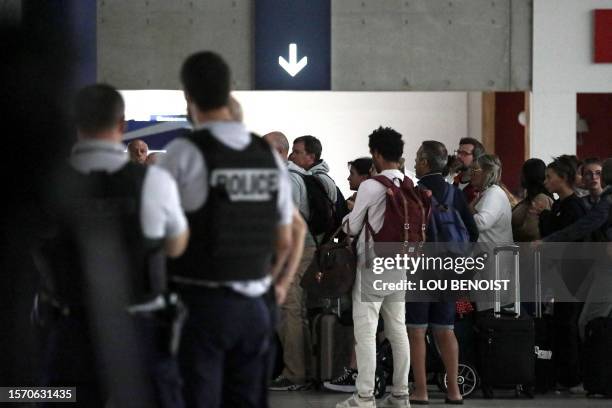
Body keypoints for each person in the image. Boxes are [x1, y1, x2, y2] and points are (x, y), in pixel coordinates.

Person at [38, 84, 189, 408]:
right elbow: (176, 246)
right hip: (141, 335)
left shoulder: (47, 185)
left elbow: (36, 252)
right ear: (121, 125)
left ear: (76, 124)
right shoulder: (154, 182)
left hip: (71, 333)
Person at [158, 51, 294, 408]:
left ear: (188, 95)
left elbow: (163, 240)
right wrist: (277, 286)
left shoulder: (182, 153)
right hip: (256, 309)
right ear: (229, 89)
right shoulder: (268, 156)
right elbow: (285, 238)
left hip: (202, 307)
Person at [337, 127, 416, 408]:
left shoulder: (372, 185)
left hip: (374, 265)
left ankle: (365, 397)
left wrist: (346, 217)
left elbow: (353, 225)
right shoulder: (410, 181)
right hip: (401, 263)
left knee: (366, 330)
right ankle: (400, 394)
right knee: (397, 329)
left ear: (377, 154)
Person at [407, 141, 479, 405]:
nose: (414, 163)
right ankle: (454, 391)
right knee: (445, 329)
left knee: (416, 331)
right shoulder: (454, 193)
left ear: (425, 163)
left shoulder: (414, 193)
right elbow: (473, 231)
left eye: (417, 158)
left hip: (421, 270)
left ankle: (422, 391)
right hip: (450, 269)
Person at [264, 130, 316, 391]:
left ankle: (294, 373)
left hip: (295, 252)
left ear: (279, 152)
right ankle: (305, 370)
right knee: (297, 314)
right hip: (298, 251)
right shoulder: (289, 177)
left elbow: (287, 223)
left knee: (290, 312)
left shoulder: (287, 179)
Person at [538, 156, 588, 394]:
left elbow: (569, 240)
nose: (546, 181)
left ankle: (573, 378)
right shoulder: (558, 205)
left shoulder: (575, 207)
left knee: (567, 324)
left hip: (574, 275)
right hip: (560, 274)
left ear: (563, 178)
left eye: (550, 177)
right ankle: (563, 374)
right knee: (560, 324)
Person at [468, 154, 513, 312]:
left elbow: (482, 222)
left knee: (492, 311)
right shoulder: (486, 193)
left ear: (487, 172)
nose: (471, 173)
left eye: (475, 170)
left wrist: (466, 213)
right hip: (486, 259)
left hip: (494, 261)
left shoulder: (494, 194)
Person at [512, 159, 554, 242]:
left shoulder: (541, 199)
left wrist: (509, 232)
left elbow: (530, 232)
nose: (520, 176)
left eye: (522, 173)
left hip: (533, 252)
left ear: (529, 175)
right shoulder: (530, 198)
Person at [453, 137, 485, 204]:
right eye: (458, 152)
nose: (458, 156)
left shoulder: (481, 187)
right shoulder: (453, 181)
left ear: (476, 158)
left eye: (464, 153)